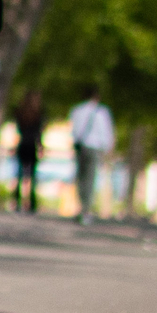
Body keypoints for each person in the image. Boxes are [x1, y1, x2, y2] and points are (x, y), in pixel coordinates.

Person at [69, 89, 114, 222]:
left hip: (81, 147)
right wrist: (107, 149)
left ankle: (81, 206)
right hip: (94, 148)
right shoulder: (102, 112)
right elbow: (106, 132)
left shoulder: (77, 110)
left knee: (81, 178)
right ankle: (86, 210)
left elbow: (74, 131)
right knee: (90, 178)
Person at [13, 89, 46, 213]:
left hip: (22, 144)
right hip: (32, 145)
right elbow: (39, 133)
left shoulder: (20, 112)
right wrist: (41, 146)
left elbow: (18, 129)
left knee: (20, 174)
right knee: (32, 176)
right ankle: (31, 203)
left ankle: (16, 201)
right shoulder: (39, 113)